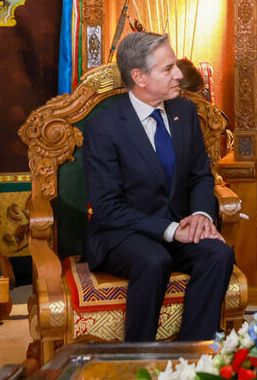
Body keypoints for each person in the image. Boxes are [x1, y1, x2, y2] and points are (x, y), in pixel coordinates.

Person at [83, 32, 235, 342]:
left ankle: (192, 353)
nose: (179, 74)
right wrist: (170, 230)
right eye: (168, 69)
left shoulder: (185, 113)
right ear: (138, 76)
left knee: (218, 254)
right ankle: (139, 355)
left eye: (175, 66)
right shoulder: (104, 125)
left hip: (179, 225)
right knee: (154, 260)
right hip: (123, 232)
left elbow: (200, 176)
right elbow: (107, 207)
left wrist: (200, 216)